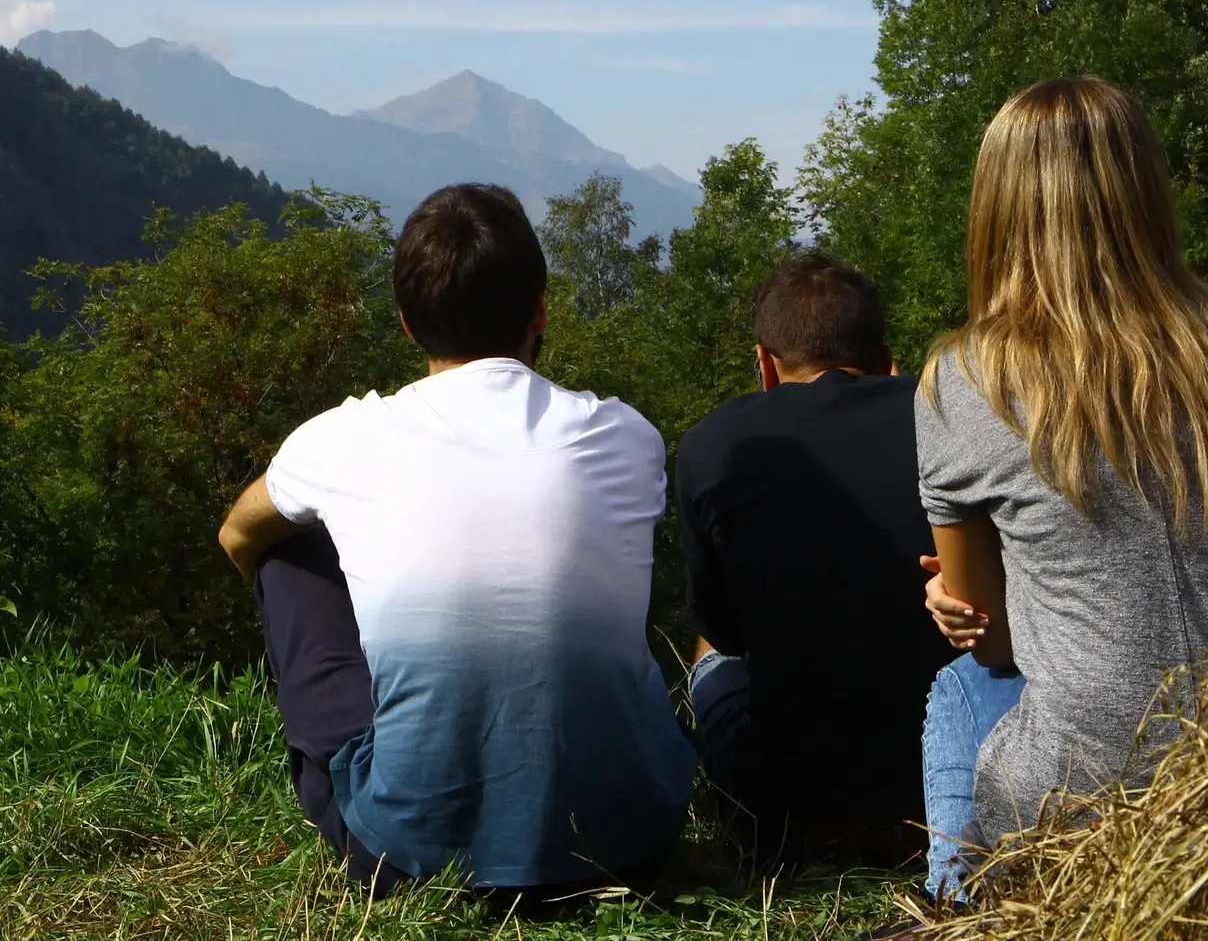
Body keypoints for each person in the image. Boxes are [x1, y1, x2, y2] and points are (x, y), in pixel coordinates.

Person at [217, 185, 696, 895]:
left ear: (408, 324)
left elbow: (237, 533)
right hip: (627, 846)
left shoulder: (343, 439)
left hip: (406, 858)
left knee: (287, 549)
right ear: (539, 310)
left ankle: (407, 765)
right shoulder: (625, 435)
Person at [915, 77, 1208, 903]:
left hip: (1086, 811)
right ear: (1146, 194)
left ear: (998, 210)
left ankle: (957, 901)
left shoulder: (965, 381)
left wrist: (953, 592)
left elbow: (994, 643)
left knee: (960, 684)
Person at [676, 253, 953, 863]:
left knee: (709, 652)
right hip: (943, 769)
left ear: (765, 365)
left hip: (785, 790)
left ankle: (764, 831)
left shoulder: (711, 443)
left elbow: (725, 631)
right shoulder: (950, 416)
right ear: (885, 361)